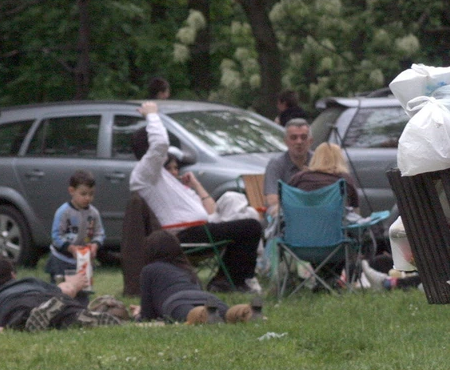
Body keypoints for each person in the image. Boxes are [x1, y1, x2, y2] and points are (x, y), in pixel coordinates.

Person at [129, 101, 263, 293]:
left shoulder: (161, 176)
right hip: (183, 236)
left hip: (199, 229)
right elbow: (160, 143)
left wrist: (193, 187)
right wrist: (152, 114)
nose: (166, 153)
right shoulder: (144, 174)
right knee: (250, 227)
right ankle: (230, 280)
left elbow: (205, 211)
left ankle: (226, 280)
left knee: (247, 217)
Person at [0, 254, 121, 332]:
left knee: (20, 322)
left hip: (15, 307)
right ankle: (80, 316)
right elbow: (65, 290)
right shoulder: (30, 282)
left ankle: (32, 319)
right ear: (13, 275)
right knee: (66, 313)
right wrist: (75, 284)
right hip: (47, 299)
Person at [130, 231, 258, 324]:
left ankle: (205, 314)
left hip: (176, 301)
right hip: (207, 298)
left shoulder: (149, 270)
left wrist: (137, 315)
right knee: (229, 315)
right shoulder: (187, 268)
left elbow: (148, 316)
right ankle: (246, 312)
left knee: (193, 316)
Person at [44, 170, 105, 282]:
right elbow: (56, 236)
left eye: (91, 194)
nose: (88, 198)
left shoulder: (93, 213)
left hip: (84, 260)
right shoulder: (63, 212)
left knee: (83, 292)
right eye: (83, 194)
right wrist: (70, 248)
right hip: (61, 260)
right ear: (72, 191)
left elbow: (99, 233)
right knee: (60, 292)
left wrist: (95, 245)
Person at [263, 119, 313, 218]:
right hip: (286, 214)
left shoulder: (318, 161)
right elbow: (272, 200)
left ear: (310, 141)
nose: (299, 142)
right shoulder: (276, 164)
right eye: (294, 138)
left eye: (303, 137)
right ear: (286, 141)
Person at [289, 143, 360, 209]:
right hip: (334, 221)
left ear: (315, 158)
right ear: (340, 159)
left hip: (301, 221)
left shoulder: (299, 177)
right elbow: (355, 207)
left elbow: (284, 200)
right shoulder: (345, 179)